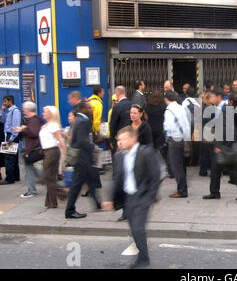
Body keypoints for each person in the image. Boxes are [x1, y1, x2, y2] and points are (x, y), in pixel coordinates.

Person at [102, 126, 161, 269]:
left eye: (123, 140)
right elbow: (116, 178)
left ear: (133, 139)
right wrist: (110, 199)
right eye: (118, 140)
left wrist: (150, 197)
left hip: (142, 196)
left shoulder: (145, 153)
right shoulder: (119, 156)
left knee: (137, 228)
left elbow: (155, 176)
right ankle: (143, 257)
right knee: (134, 229)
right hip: (127, 198)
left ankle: (143, 260)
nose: (119, 143)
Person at [203, 93, 237, 201]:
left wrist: (218, 145)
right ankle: (215, 192)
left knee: (227, 171)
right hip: (229, 143)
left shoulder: (225, 110)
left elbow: (224, 129)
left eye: (213, 96)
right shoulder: (234, 109)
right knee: (222, 170)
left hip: (225, 145)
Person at [65, 102, 101, 219]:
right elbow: (82, 140)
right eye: (88, 108)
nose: (90, 109)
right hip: (82, 158)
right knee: (77, 185)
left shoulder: (79, 119)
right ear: (82, 109)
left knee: (90, 180)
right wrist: (93, 147)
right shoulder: (83, 121)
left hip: (83, 157)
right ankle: (70, 210)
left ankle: (97, 203)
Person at [13, 101, 43, 198]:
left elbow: (34, 132)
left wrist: (23, 129)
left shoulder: (33, 120)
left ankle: (31, 190)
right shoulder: (33, 120)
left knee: (27, 169)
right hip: (32, 147)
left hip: (31, 148)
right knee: (28, 167)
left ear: (28, 110)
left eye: (24, 109)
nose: (23, 111)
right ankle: (40, 179)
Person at [164, 90, 191, 198]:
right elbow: (186, 124)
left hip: (174, 140)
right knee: (182, 165)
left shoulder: (169, 110)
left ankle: (182, 191)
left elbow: (169, 127)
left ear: (166, 98)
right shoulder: (181, 107)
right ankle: (183, 187)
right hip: (183, 139)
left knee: (176, 166)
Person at [39, 106, 67, 208]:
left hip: (52, 152)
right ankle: (51, 202)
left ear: (51, 114)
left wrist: (65, 153)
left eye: (45, 112)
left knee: (47, 178)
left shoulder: (53, 126)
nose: (43, 114)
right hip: (47, 152)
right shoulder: (47, 125)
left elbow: (61, 140)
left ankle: (63, 193)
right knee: (50, 178)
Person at [0, 95, 21, 185]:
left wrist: (11, 138)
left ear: (10, 101)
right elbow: (2, 120)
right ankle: (15, 176)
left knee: (9, 158)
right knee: (13, 157)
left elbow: (16, 126)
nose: (4, 103)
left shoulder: (15, 111)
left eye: (5, 101)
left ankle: (10, 178)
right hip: (8, 135)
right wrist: (2, 110)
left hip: (11, 136)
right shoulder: (9, 111)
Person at [110, 86, 133, 155]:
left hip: (121, 137)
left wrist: (111, 139)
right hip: (132, 136)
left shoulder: (116, 107)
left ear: (116, 93)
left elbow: (113, 124)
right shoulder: (132, 104)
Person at [182, 87, 202, 166]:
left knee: (187, 143)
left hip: (188, 124)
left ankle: (187, 160)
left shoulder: (185, 102)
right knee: (196, 143)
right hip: (197, 124)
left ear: (186, 94)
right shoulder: (197, 102)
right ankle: (195, 161)